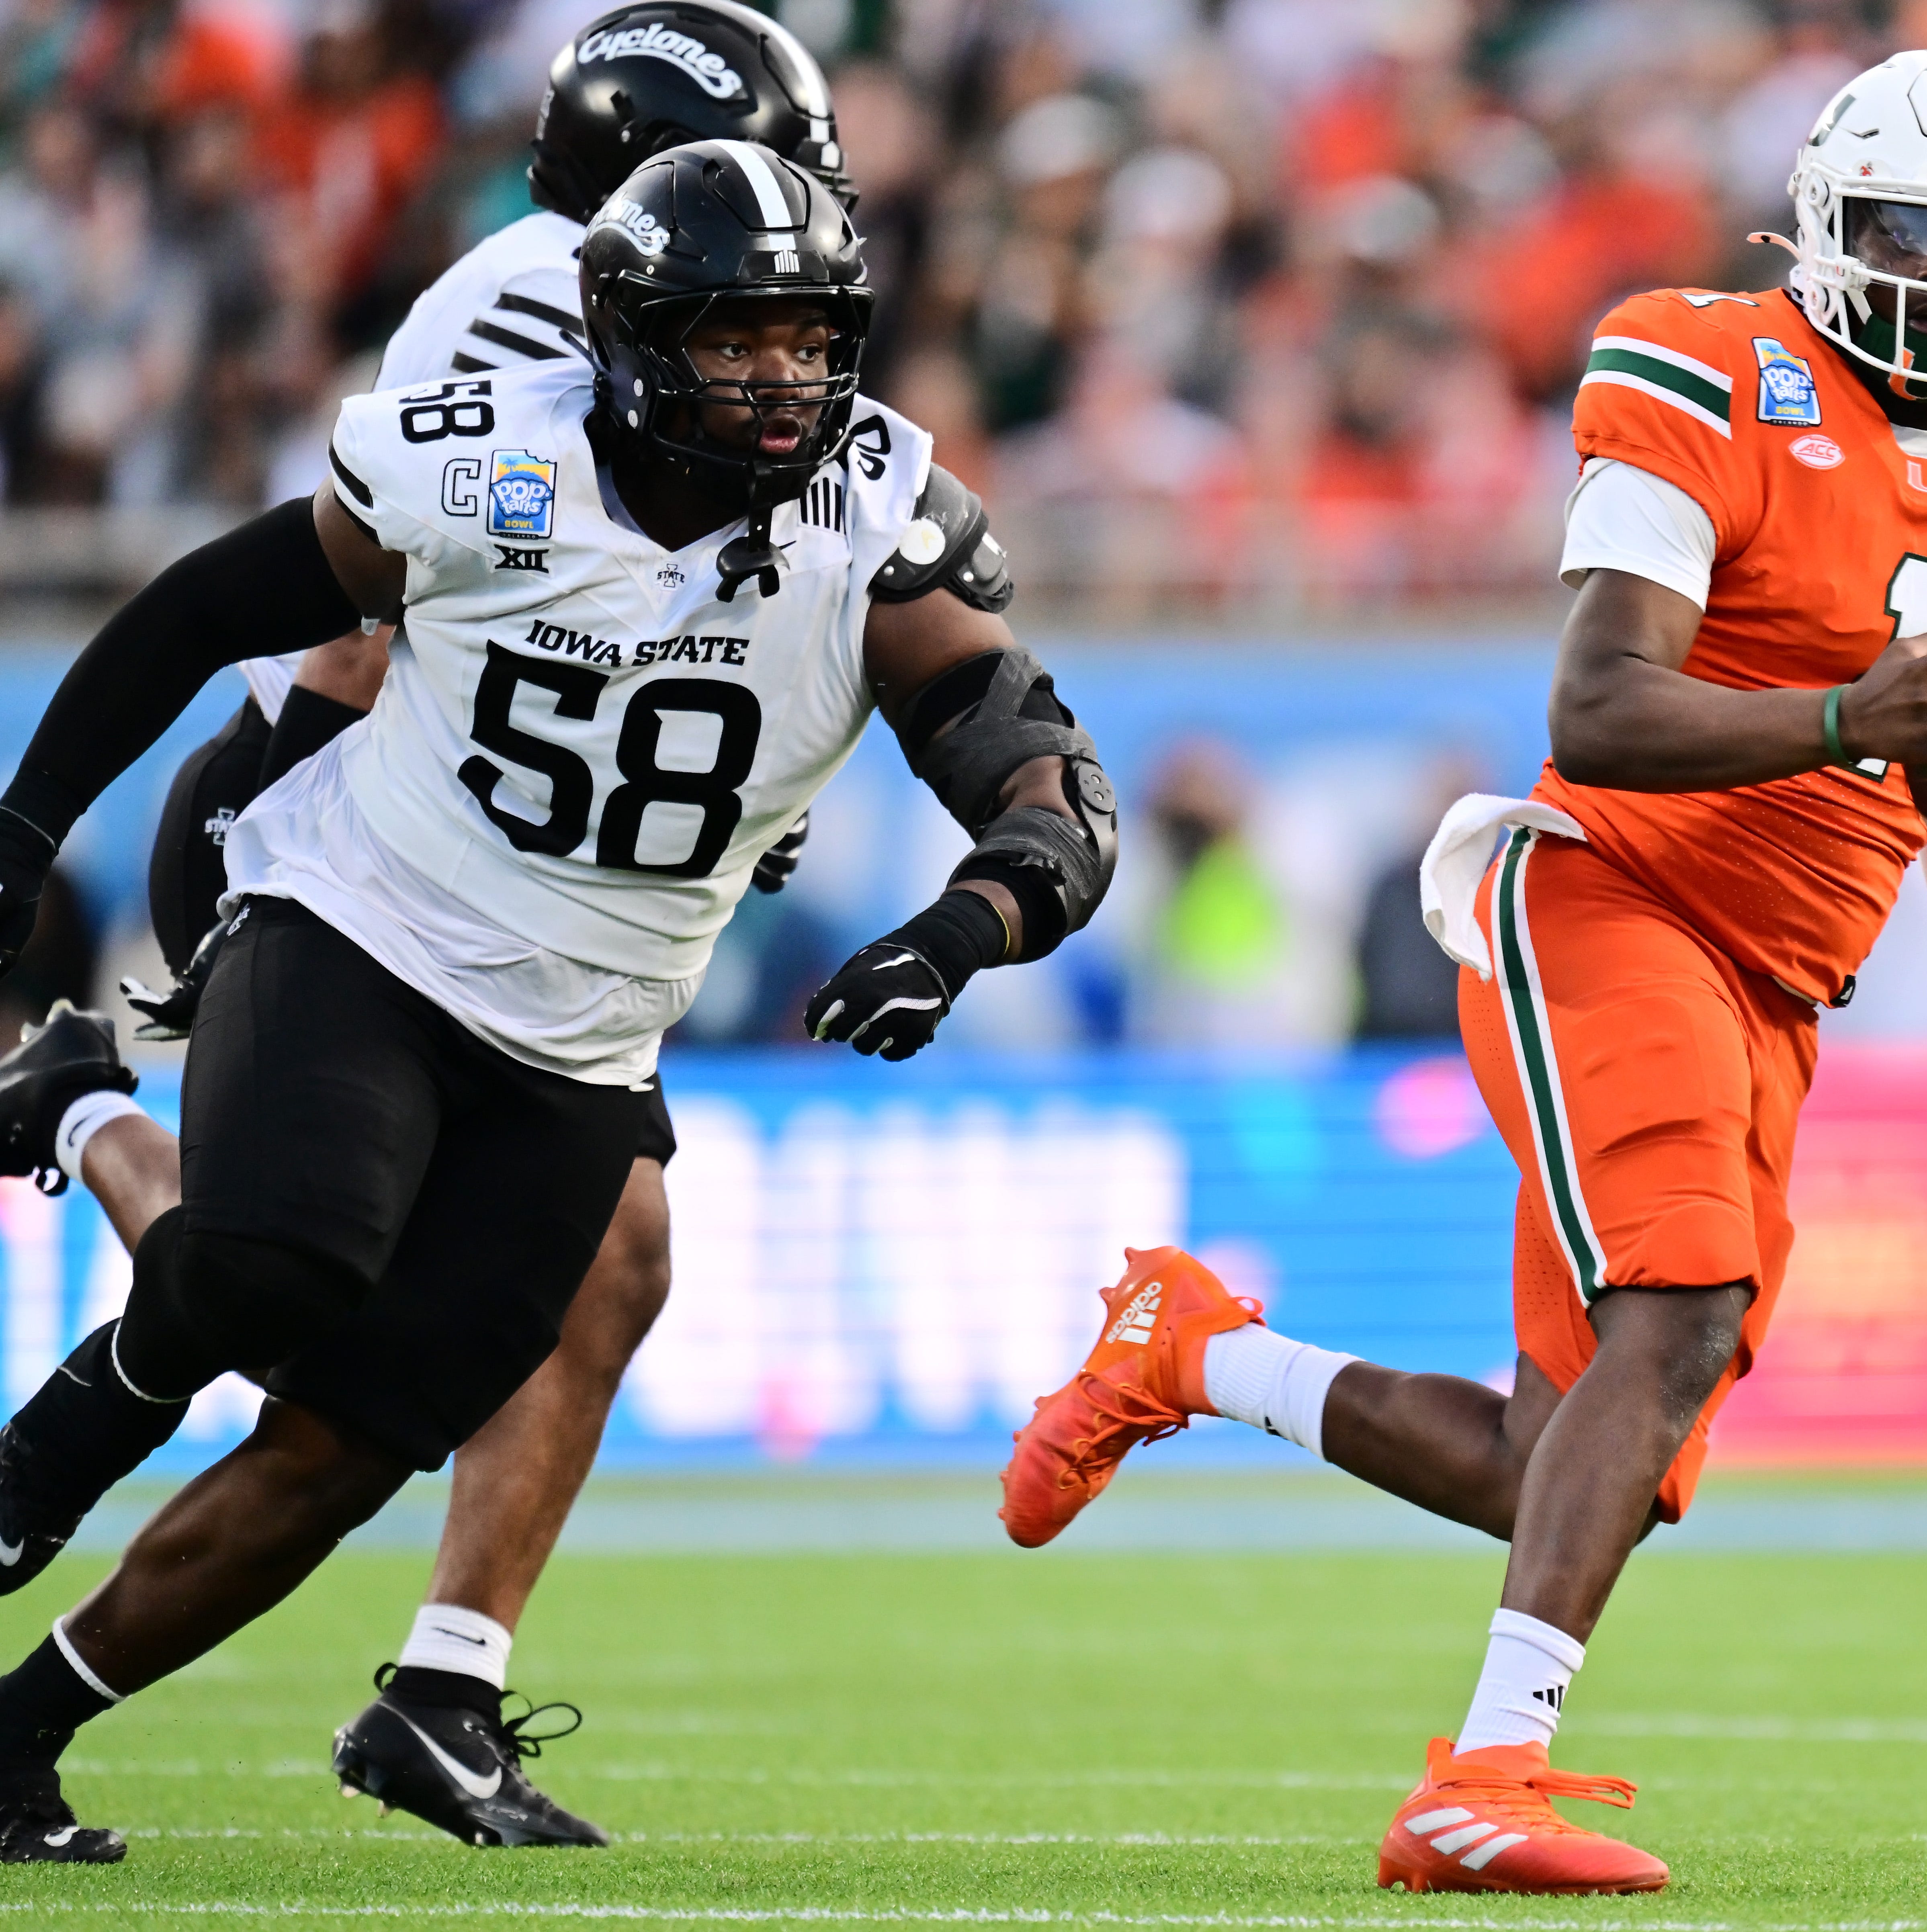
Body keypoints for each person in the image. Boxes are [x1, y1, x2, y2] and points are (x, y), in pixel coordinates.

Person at [995, 51, 1927, 1895]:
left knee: (1573, 1458)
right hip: (1612, 889)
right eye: (1909, 227)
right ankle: (1480, 1776)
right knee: (1681, 1303)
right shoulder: (1701, 357)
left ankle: (1194, 1350)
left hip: (1786, 971)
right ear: (1826, 223)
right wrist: (1853, 708)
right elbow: (1598, 708)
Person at [0, 135, 1114, 1864]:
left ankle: (19, 1731)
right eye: (734, 337)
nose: (780, 379)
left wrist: (960, 930)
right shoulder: (485, 460)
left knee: (348, 1438)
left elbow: (1048, 786)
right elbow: (207, 605)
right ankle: (39, 1462)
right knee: (279, 1254)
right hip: (363, 921)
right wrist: (27, 821)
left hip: (584, 1037)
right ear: (626, 329)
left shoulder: (877, 522)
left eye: (811, 339)